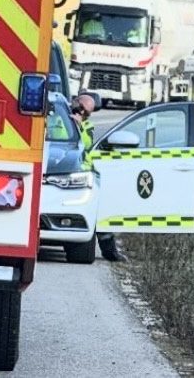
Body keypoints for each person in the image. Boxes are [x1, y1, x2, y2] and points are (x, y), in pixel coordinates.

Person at [71, 93, 127, 262]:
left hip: (83, 173)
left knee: (101, 211)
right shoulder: (58, 116)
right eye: (80, 108)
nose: (82, 113)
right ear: (75, 102)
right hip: (61, 171)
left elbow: (84, 144)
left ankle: (109, 252)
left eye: (86, 112)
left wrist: (78, 126)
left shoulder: (87, 126)